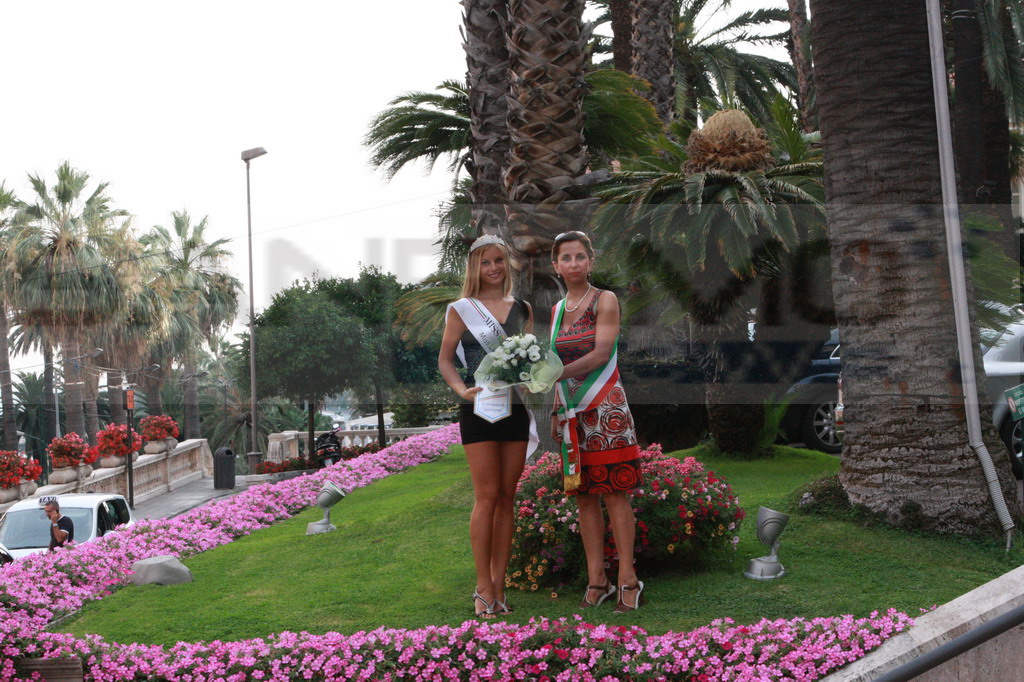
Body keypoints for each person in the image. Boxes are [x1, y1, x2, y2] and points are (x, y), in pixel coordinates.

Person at [438, 234, 537, 618]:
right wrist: (461, 390)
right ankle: (482, 587)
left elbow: (530, 359)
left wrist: (533, 377)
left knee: (508, 497)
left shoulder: (522, 309)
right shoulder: (461, 310)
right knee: (487, 496)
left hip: (514, 409)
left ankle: (499, 585)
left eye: (498, 260)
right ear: (474, 267)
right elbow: (446, 360)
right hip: (478, 409)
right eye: (485, 262)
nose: (493, 268)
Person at [549, 230, 646, 613]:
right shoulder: (557, 311)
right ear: (555, 265)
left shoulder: (605, 300)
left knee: (614, 493)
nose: (573, 263)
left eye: (580, 256)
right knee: (584, 496)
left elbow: (602, 354)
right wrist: (556, 410)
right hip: (571, 413)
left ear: (591, 261)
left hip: (606, 409)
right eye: (566, 258)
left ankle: (628, 579)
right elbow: (554, 362)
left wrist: (552, 375)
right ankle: (597, 579)